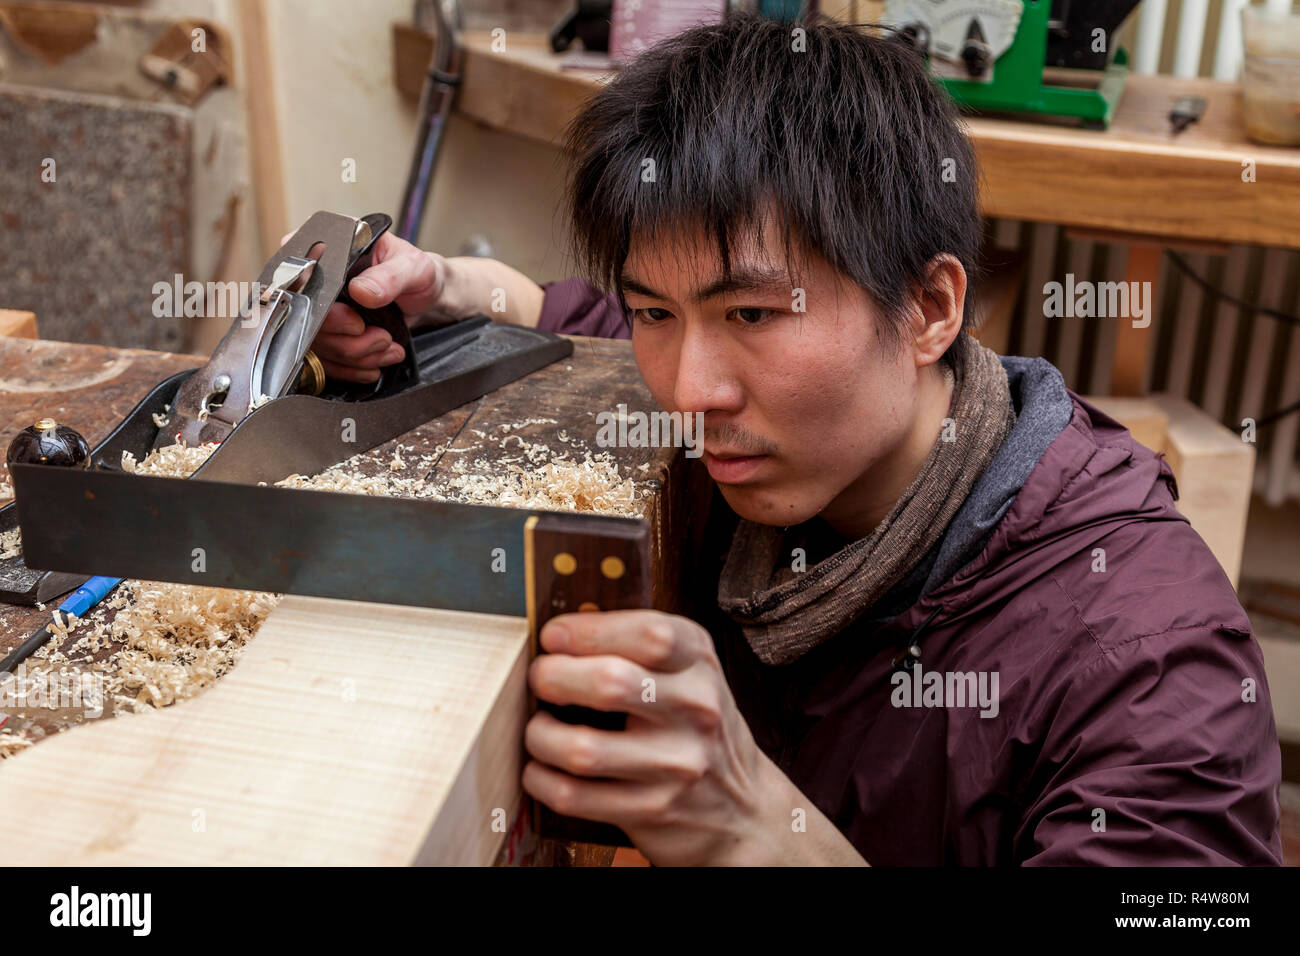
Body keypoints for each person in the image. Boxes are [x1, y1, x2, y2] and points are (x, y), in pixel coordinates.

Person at [310, 13, 1282, 866]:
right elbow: (566, 312)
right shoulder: (755, 416)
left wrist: (755, 830)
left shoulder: (1152, 665)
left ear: (930, 307)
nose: (691, 392)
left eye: (753, 316)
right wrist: (442, 292)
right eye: (659, 312)